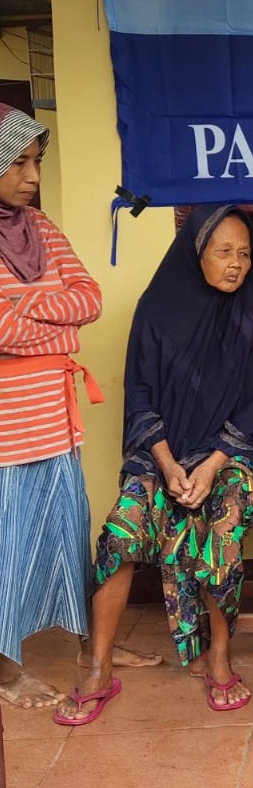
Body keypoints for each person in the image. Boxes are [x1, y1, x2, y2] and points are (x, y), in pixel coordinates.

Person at [54, 206, 253, 724]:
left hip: (234, 454)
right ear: (196, 252)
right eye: (224, 252)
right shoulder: (156, 310)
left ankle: (219, 656)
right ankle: (99, 667)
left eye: (245, 254)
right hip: (162, 455)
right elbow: (140, 397)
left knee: (220, 528)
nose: (236, 264)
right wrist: (169, 464)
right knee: (120, 531)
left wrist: (211, 465)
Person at [0, 105, 109, 709]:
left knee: (67, 533)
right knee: (7, 545)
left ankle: (92, 646)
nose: (33, 176)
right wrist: (59, 330)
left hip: (56, 417)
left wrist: (31, 311)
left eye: (36, 162)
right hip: (7, 427)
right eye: (19, 162)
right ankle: (6, 669)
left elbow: (89, 298)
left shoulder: (41, 228)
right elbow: (1, 329)